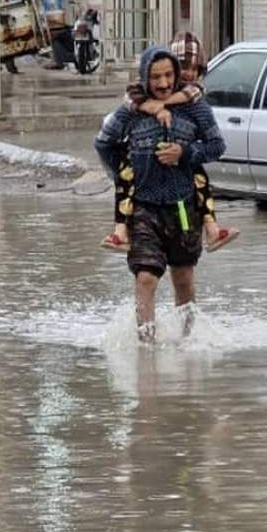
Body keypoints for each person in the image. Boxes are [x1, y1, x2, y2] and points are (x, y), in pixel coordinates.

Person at [95, 46, 227, 344]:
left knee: (183, 278)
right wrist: (125, 173)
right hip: (144, 208)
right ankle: (147, 346)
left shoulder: (195, 108)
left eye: (169, 75)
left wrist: (185, 152)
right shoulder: (131, 111)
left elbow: (217, 146)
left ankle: (187, 341)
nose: (164, 83)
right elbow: (103, 143)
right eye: (156, 77)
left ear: (177, 74)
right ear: (145, 78)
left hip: (183, 207)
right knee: (145, 277)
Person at [101, 32, 239, 254]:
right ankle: (120, 232)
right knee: (125, 180)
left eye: (195, 69)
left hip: (182, 199)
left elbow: (216, 145)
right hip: (144, 200)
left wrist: (184, 152)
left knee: (200, 181)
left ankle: (212, 229)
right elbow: (106, 139)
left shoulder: (195, 102)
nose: (188, 74)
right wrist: (149, 106)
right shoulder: (137, 98)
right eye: (183, 66)